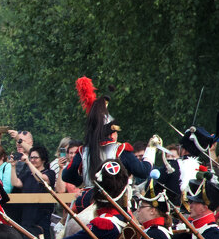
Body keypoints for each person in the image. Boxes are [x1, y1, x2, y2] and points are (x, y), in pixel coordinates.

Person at [61, 77, 153, 207]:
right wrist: (151, 149)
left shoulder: (82, 151)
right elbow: (143, 171)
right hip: (113, 202)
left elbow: (67, 176)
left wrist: (81, 180)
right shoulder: (120, 149)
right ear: (111, 132)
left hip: (87, 200)